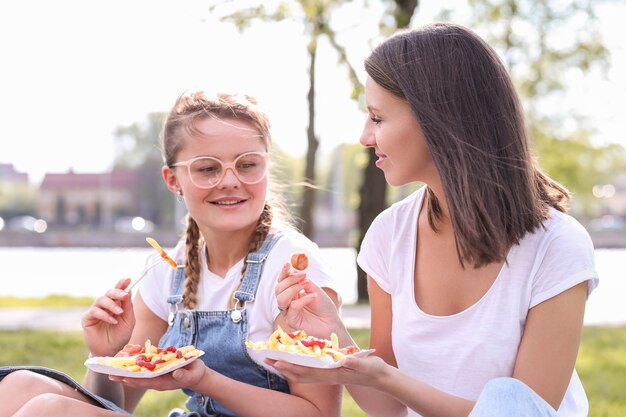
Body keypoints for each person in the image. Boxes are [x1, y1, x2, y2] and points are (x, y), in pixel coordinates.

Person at [271, 22, 598, 417]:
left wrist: (384, 377)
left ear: (437, 120)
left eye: (377, 118)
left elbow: (524, 412)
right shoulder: (389, 235)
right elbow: (389, 408)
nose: (364, 136)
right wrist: (334, 335)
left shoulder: (556, 245)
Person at [0, 91, 343, 417]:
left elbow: (320, 413)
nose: (230, 180)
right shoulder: (170, 269)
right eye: (207, 168)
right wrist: (103, 356)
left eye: (247, 164)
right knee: (18, 386)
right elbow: (114, 404)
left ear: (266, 167)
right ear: (172, 180)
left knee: (49, 409)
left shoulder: (293, 266)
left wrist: (206, 380)